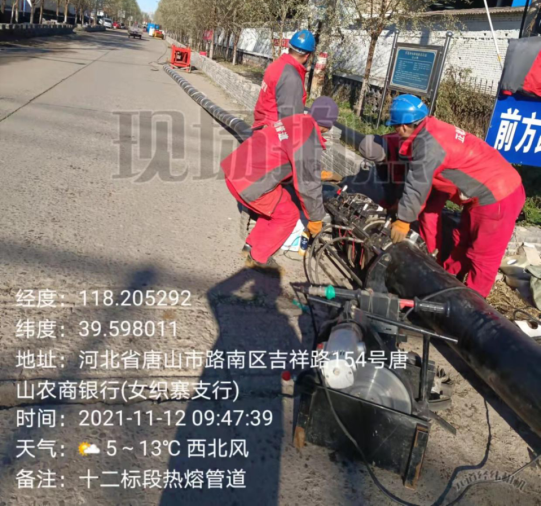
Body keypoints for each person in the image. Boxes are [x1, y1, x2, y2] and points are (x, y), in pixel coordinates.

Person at [387, 94, 525, 297]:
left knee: (483, 256)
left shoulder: (429, 146)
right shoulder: (432, 129)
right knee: (462, 242)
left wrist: (403, 221)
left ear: (404, 126)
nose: (395, 132)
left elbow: (417, 184)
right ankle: (445, 286)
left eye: (395, 127)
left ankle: (472, 307)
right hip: (485, 191)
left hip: (499, 195)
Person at [221, 97, 339, 273]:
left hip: (235, 170)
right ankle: (259, 258)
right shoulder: (309, 137)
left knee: (277, 205)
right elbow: (307, 184)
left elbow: (289, 153)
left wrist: (317, 171)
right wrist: (315, 218)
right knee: (288, 214)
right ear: (328, 125)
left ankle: (251, 246)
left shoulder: (296, 121)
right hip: (248, 182)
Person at [252, 30, 316, 129]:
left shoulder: (277, 65)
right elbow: (289, 119)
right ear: (307, 56)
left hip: (262, 125)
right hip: (273, 132)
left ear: (289, 48)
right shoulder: (291, 77)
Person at [341, 133, 407, 208]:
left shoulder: (403, 148)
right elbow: (384, 178)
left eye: (383, 160)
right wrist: (387, 202)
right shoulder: (377, 147)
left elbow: (408, 179)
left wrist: (398, 200)